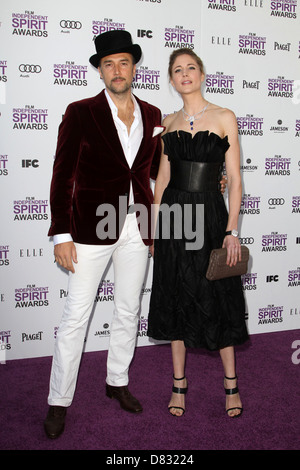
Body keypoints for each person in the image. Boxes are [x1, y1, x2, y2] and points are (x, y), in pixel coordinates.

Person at [44, 30, 164, 439]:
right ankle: (59, 401)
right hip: (90, 229)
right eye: (108, 64)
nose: (117, 70)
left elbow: (151, 171)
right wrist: (61, 234)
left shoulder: (151, 114)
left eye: (124, 62)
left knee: (128, 309)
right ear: (99, 71)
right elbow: (63, 175)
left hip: (138, 226)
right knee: (76, 317)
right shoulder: (80, 111)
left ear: (134, 67)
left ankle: (117, 381)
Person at [147, 48, 249, 418]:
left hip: (209, 216)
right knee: (176, 295)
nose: (185, 74)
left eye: (191, 67)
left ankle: (231, 384)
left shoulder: (225, 116)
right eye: (178, 70)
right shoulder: (168, 123)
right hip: (174, 218)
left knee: (217, 296)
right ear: (171, 80)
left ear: (203, 74)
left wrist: (231, 229)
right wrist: (155, 232)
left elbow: (235, 180)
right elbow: (161, 180)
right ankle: (178, 384)